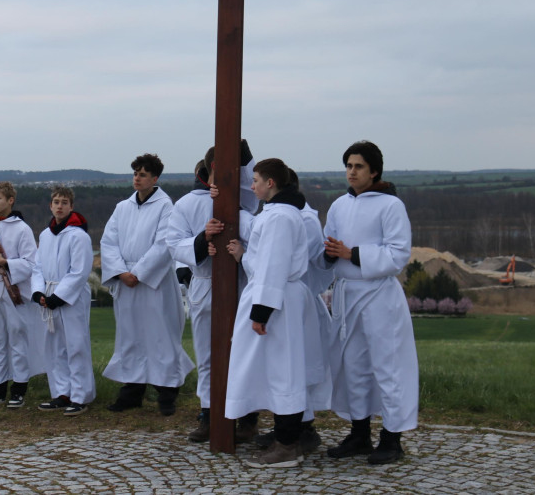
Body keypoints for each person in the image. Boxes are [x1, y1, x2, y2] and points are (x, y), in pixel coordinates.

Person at [322, 140, 418, 465]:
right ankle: (359, 432)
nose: (351, 172)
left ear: (374, 171)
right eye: (348, 166)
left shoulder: (391, 206)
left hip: (379, 295)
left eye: (358, 166)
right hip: (347, 293)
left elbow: (398, 254)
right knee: (353, 365)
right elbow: (328, 245)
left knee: (387, 366)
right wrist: (328, 253)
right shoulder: (339, 205)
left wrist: (352, 254)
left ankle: (392, 439)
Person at [225, 158, 325, 468]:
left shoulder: (280, 217)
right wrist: (244, 256)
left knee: (284, 370)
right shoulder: (277, 213)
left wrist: (262, 311)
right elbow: (263, 260)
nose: (252, 185)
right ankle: (286, 438)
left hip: (276, 301)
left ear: (271, 183)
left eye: (256, 180)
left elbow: (274, 265)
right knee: (277, 369)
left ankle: (287, 445)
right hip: (276, 297)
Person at [165, 142, 257, 443]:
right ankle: (209, 414)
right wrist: (203, 240)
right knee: (207, 355)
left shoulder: (244, 200)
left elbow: (258, 231)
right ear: (211, 169)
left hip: (240, 283)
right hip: (206, 283)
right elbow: (174, 243)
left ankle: (247, 417)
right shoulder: (187, 204)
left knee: (244, 353)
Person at [101, 153, 194, 416]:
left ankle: (167, 393)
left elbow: (164, 243)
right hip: (126, 281)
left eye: (143, 174)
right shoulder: (123, 207)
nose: (137, 178)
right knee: (130, 337)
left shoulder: (166, 207)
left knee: (160, 337)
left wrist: (139, 273)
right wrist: (121, 272)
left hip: (155, 283)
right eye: (135, 173)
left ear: (155, 178)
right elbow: (108, 242)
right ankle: (132, 392)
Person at [0, 182, 42, 409]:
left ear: (10, 200)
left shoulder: (22, 229)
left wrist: (4, 262)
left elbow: (31, 263)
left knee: (18, 339)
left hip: (13, 292)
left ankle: (19, 390)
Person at [31, 186, 96, 416]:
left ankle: (80, 395)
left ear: (71, 206)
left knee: (75, 345)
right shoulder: (45, 235)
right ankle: (62, 392)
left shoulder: (78, 236)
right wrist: (38, 292)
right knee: (54, 347)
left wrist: (60, 296)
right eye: (56, 202)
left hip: (71, 297)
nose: (60, 206)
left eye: (64, 202)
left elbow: (80, 271)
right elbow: (37, 267)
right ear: (50, 206)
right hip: (49, 294)